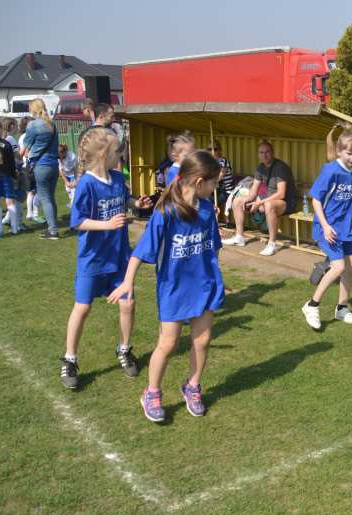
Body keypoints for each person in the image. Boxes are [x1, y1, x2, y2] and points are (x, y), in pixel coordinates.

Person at [107, 150, 224, 423]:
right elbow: (141, 251)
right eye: (214, 183)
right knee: (168, 344)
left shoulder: (207, 209)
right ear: (198, 182)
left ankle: (192, 386)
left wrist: (217, 276)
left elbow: (213, 247)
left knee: (203, 340)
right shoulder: (166, 212)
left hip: (205, 284)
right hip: (174, 288)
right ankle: (152, 392)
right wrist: (128, 281)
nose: (215, 188)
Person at [59, 128, 152, 390]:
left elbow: (125, 199)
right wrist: (107, 224)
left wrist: (137, 203)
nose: (120, 154)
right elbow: (77, 221)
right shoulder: (87, 183)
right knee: (83, 308)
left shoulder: (115, 177)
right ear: (103, 154)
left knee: (128, 303)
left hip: (119, 257)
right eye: (116, 151)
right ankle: (70, 359)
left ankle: (124, 349)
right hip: (93, 260)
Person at [301, 130, 352, 329]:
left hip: (345, 229)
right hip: (327, 228)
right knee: (338, 267)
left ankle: (342, 309)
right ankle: (311, 305)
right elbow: (316, 200)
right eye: (349, 153)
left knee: (351, 269)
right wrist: (325, 226)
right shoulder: (330, 170)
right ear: (339, 151)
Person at [223, 141, 297, 255]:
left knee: (268, 206)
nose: (264, 155)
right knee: (238, 201)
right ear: (258, 155)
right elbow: (253, 191)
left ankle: (272, 244)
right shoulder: (260, 168)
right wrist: (247, 200)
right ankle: (239, 237)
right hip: (268, 199)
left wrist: (259, 202)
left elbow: (281, 194)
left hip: (286, 202)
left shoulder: (280, 167)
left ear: (272, 153)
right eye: (261, 152)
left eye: (267, 152)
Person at [22, 98, 61, 239]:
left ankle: (53, 230)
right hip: (54, 165)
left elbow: (25, 146)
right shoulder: (52, 124)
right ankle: (53, 226)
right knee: (50, 197)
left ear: (33, 109)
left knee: (45, 199)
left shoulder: (33, 125)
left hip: (41, 165)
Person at [17, 116, 39, 224]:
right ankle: (31, 213)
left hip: (26, 166)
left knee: (29, 192)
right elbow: (25, 152)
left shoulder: (22, 137)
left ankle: (31, 213)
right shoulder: (27, 136)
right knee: (31, 192)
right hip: (29, 166)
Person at [209, 139, 235, 218]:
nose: (212, 151)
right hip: (217, 189)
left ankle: (215, 218)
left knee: (209, 197)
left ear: (219, 150)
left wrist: (213, 182)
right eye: (209, 149)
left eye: (215, 149)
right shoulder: (210, 162)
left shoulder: (223, 161)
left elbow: (221, 174)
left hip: (226, 190)